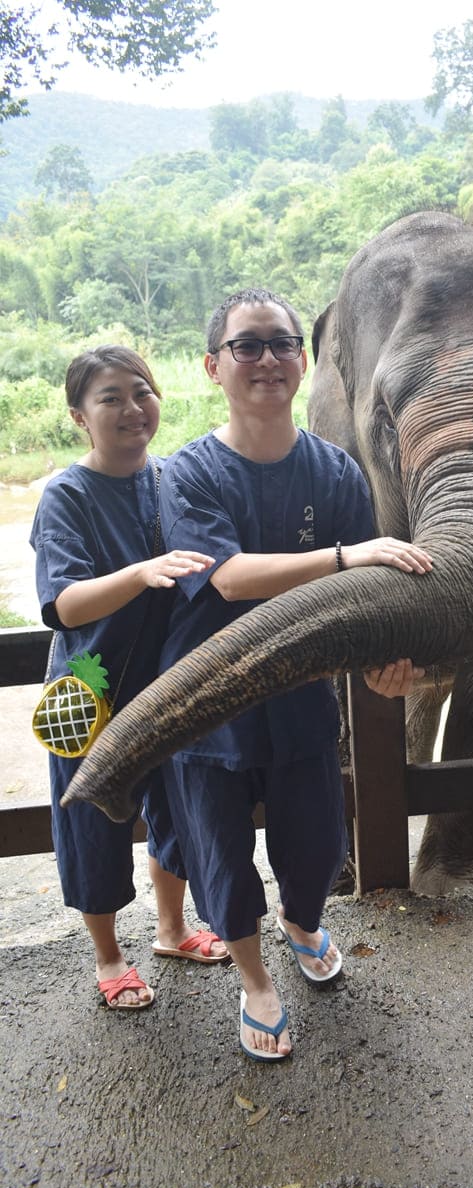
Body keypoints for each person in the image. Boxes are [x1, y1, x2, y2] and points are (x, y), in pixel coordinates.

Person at [158, 287, 431, 1061]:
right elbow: (231, 579)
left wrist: (385, 658)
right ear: (214, 367)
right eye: (247, 346)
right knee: (221, 859)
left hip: (302, 702)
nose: (267, 359)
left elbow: (361, 598)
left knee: (313, 847)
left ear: (303, 360)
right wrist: (350, 557)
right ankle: (255, 983)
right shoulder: (189, 475)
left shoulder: (337, 475)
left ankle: (303, 923)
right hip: (208, 708)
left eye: (281, 343)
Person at [30, 345, 230, 1012]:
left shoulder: (174, 480)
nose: (130, 407)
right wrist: (141, 574)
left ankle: (172, 931)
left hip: (166, 684)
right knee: (91, 826)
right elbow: (63, 605)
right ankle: (110, 957)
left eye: (141, 391)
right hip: (85, 689)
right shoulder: (67, 495)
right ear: (78, 417)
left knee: (176, 811)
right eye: (110, 397)